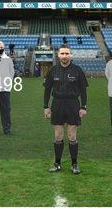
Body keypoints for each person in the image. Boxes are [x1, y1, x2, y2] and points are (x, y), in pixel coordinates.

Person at [43, 44, 88, 174]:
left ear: (70, 55)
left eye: (67, 53)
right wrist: (46, 107)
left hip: (73, 104)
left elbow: (83, 91)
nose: (64, 56)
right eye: (62, 53)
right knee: (58, 135)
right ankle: (57, 163)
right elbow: (47, 90)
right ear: (58, 55)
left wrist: (83, 106)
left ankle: (74, 164)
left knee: (72, 135)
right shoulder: (52, 70)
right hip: (57, 104)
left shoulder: (77, 70)